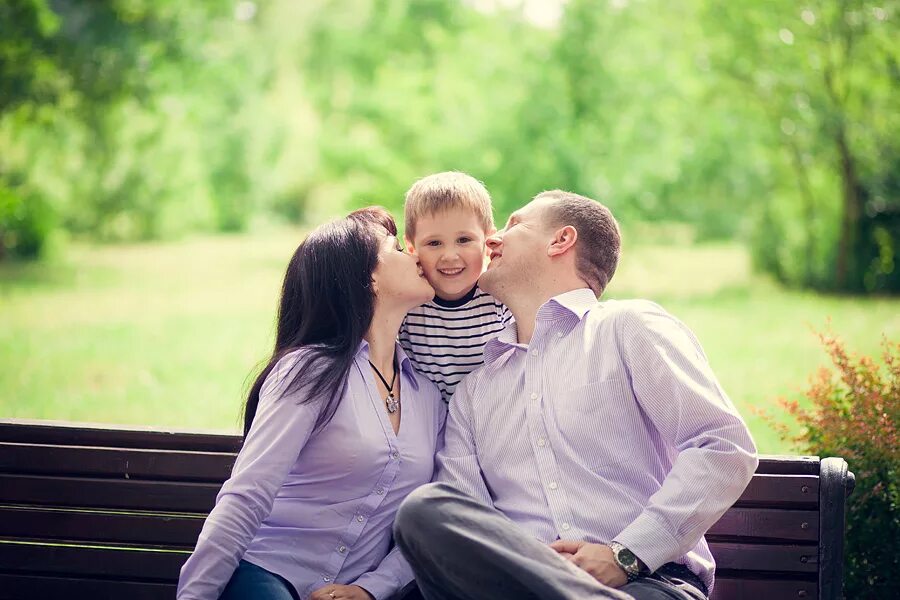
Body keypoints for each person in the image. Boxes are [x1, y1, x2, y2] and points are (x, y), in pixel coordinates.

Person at [394, 190, 759, 600]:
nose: (492, 239)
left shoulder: (628, 328)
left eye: (513, 226)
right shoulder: (474, 393)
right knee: (425, 512)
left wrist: (626, 555)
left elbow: (723, 445)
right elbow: (466, 519)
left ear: (560, 240)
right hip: (521, 589)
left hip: (646, 584)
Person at [177, 207, 445, 600]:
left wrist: (369, 590)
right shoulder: (309, 371)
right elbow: (248, 493)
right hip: (268, 573)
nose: (416, 255)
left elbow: (427, 525)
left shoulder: (428, 396)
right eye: (396, 249)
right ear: (370, 277)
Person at [398, 172, 512, 403]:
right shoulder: (409, 305)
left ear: (488, 242)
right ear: (412, 248)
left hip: (488, 419)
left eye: (463, 240)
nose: (450, 256)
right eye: (434, 243)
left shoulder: (500, 299)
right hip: (429, 427)